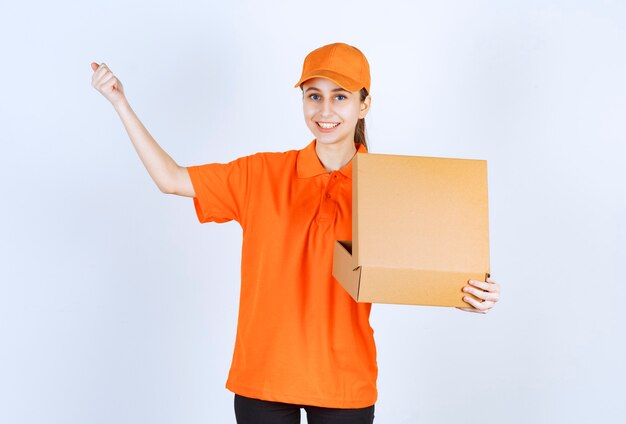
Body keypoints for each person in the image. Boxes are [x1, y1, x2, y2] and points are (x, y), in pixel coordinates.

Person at [91, 42, 501, 424]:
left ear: (364, 104)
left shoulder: (389, 187)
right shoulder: (261, 174)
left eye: (340, 95)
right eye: (313, 95)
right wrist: (119, 102)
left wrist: (465, 294)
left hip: (345, 382)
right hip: (264, 378)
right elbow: (172, 179)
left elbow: (427, 268)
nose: (325, 109)